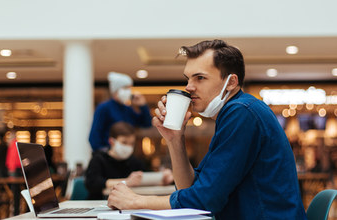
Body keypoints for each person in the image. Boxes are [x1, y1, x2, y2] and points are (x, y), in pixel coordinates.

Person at [107, 40, 307, 219]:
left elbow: (205, 200)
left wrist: (135, 201)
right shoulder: (234, 112)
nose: (189, 87)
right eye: (188, 78)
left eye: (200, 78)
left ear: (231, 82)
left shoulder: (241, 113)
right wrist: (175, 139)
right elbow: (192, 189)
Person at [89, 71, 152, 152]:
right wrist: (105, 154)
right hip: (108, 155)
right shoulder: (104, 108)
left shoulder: (128, 109)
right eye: (125, 88)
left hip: (125, 155)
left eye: (129, 88)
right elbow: (94, 136)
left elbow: (146, 124)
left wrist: (143, 106)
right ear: (116, 90)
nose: (129, 91)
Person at [85, 122, 145, 200]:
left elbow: (145, 175)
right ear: (112, 141)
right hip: (99, 203)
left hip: (128, 204)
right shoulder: (98, 159)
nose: (128, 147)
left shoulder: (134, 161)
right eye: (124, 142)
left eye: (132, 143)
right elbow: (92, 183)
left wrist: (162, 178)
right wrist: (126, 182)